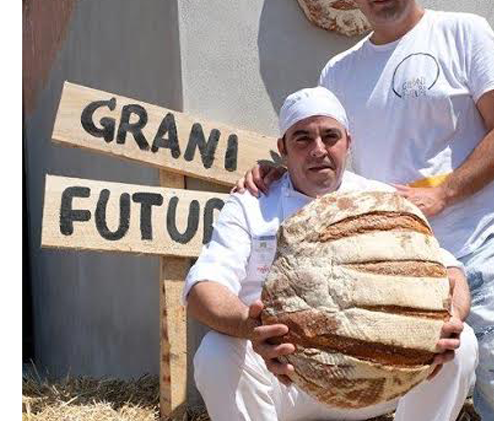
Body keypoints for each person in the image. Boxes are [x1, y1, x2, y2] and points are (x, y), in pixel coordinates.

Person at [236, 0, 494, 421]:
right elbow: (331, 156)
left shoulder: (462, 32)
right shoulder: (338, 72)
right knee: (410, 389)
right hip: (393, 270)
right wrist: (276, 171)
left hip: (475, 244)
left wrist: (444, 194)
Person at [184, 87, 478, 421]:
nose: (318, 150)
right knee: (216, 352)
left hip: (379, 379)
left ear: (348, 143)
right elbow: (202, 288)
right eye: (303, 139)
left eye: (330, 136)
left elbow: (451, 272)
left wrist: (452, 315)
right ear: (282, 148)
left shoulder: (380, 200)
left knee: (461, 344)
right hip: (285, 375)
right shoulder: (251, 205)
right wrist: (250, 327)